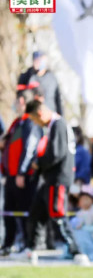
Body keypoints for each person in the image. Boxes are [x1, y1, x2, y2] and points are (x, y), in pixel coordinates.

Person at [24, 99, 79, 259]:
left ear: (40, 114)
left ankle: (76, 251)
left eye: (34, 119)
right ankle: (31, 249)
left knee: (58, 214)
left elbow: (56, 153)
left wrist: (38, 164)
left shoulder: (58, 124)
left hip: (59, 178)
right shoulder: (52, 126)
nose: (36, 123)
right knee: (36, 212)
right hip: (49, 179)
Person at [0, 89, 40, 255]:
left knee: (24, 210)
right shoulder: (17, 123)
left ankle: (28, 244)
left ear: (23, 102)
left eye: (17, 101)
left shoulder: (31, 122)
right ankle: (8, 244)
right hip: (10, 175)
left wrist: (22, 173)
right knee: (8, 211)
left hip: (21, 176)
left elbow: (29, 149)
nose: (15, 104)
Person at [17, 51, 63, 115]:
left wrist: (61, 117)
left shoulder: (52, 78)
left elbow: (58, 100)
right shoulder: (26, 76)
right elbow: (20, 95)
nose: (37, 63)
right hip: (32, 116)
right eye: (35, 60)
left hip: (49, 115)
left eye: (39, 60)